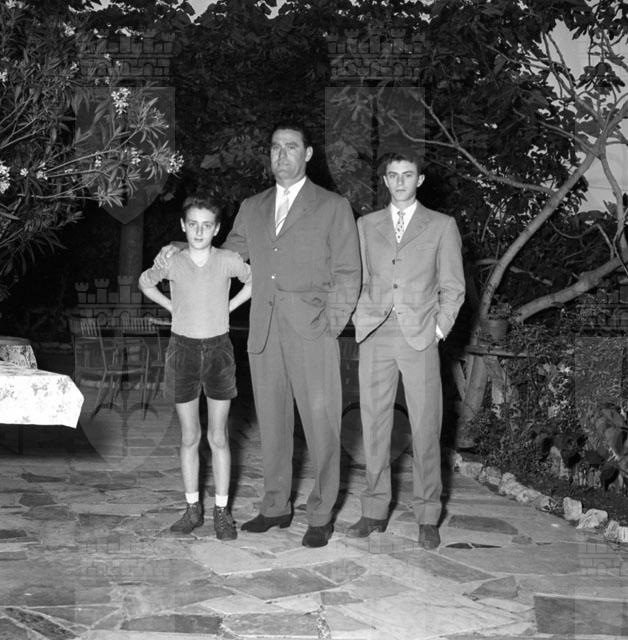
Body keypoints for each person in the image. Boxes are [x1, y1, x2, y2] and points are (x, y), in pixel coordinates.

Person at [155, 122, 361, 548]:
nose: (281, 155)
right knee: (272, 422)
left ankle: (321, 513)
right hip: (264, 331)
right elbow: (223, 255)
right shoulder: (253, 206)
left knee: (321, 424)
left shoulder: (333, 205)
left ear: (308, 154)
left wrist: (331, 324)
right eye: (275, 147)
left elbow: (348, 272)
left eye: (291, 147)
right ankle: (275, 505)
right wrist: (179, 248)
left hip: (313, 331)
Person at [348, 151, 465, 549]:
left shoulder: (442, 226)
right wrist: (360, 317)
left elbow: (453, 287)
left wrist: (438, 329)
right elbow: (358, 277)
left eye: (407, 175)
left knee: (426, 426)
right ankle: (374, 509)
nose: (400, 182)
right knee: (373, 425)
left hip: (420, 336)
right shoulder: (366, 225)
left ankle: (428, 515)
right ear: (384, 181)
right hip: (376, 333)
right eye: (393, 175)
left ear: (420, 180)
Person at [139, 194, 252, 539]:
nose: (199, 231)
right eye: (193, 225)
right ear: (183, 226)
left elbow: (256, 281)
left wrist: (228, 306)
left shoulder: (228, 260)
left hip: (218, 351)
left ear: (216, 229)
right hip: (182, 351)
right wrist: (171, 307)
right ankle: (192, 509)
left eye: (206, 225)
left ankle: (221, 511)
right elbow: (145, 282)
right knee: (190, 436)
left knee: (218, 436)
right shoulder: (173, 261)